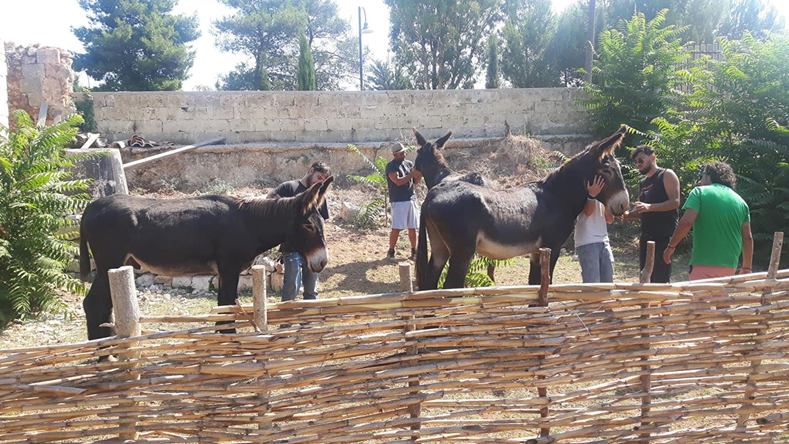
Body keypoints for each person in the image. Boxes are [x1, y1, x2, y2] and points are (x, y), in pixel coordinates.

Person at [663, 162, 753, 280]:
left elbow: (687, 222)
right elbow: (747, 237)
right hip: (730, 264)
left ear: (709, 176)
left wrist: (671, 247)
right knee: (719, 298)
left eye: (702, 176)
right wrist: (747, 267)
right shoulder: (741, 202)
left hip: (703, 262)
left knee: (700, 298)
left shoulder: (699, 192)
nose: (699, 181)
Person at [267, 162, 331, 302]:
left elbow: (321, 223)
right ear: (311, 170)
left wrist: (323, 246)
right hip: (292, 247)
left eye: (323, 181)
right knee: (291, 287)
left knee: (311, 289)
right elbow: (270, 203)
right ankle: (287, 322)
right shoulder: (289, 187)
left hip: (312, 248)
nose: (320, 183)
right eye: (319, 177)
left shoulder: (320, 196)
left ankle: (308, 321)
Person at [621, 145, 680, 283]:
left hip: (664, 237)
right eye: (635, 162)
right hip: (646, 237)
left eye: (641, 160)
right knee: (645, 276)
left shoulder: (666, 174)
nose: (638, 164)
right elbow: (644, 211)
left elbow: (675, 202)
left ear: (652, 157)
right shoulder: (643, 183)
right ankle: (648, 305)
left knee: (661, 279)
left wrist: (650, 206)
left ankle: (662, 305)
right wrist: (629, 214)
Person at [575, 176, 615, 282]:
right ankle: (590, 299)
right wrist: (592, 195)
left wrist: (606, 201)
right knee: (592, 283)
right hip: (587, 241)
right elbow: (588, 212)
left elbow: (610, 219)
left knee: (608, 281)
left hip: (604, 241)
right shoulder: (582, 191)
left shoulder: (604, 196)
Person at [385, 143, 421, 260]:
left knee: (412, 227)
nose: (404, 154)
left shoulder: (408, 164)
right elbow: (398, 182)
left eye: (404, 152)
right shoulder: (391, 166)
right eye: (401, 153)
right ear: (395, 155)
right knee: (396, 228)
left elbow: (415, 182)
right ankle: (391, 251)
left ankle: (414, 251)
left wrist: (419, 174)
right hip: (399, 200)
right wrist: (412, 174)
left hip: (411, 198)